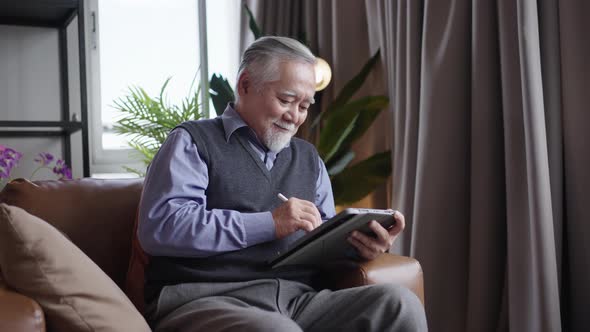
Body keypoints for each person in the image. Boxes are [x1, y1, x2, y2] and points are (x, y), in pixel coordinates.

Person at [138, 36, 427, 331]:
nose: (295, 117)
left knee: (400, 304)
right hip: (205, 299)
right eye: (286, 100)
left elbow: (323, 244)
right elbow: (162, 227)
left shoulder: (309, 159)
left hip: (297, 301)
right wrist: (270, 223)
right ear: (245, 85)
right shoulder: (191, 142)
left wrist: (360, 249)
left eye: (304, 106)